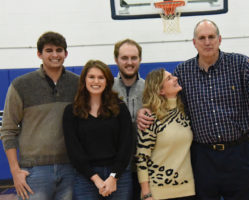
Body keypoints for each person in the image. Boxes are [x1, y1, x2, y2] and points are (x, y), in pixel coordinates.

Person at [137, 19, 249, 200]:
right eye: (202, 37)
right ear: (194, 42)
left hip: (239, 154)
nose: (207, 42)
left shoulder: (240, 64)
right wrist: (144, 110)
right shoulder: (183, 71)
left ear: (219, 39)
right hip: (203, 158)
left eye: (211, 37)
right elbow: (166, 100)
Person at [0, 31, 79, 200]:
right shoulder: (21, 85)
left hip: (71, 169)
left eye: (59, 50)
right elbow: (8, 130)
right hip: (34, 171)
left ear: (66, 54)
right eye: (49, 50)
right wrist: (15, 171)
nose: (55, 55)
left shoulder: (78, 84)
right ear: (39, 54)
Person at [62, 60, 134, 200]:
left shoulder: (120, 108)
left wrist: (114, 177)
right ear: (84, 80)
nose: (96, 81)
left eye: (101, 77)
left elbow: (126, 144)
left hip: (119, 176)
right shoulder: (71, 112)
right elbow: (73, 149)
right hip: (86, 178)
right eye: (91, 77)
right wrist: (96, 179)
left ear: (107, 81)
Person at [136, 68, 195, 200]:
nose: (175, 78)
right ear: (160, 90)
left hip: (188, 190)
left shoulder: (185, 111)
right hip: (157, 192)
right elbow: (142, 159)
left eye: (172, 76)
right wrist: (147, 194)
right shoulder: (150, 117)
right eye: (169, 78)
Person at [112, 38, 145, 199]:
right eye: (124, 58)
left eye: (134, 58)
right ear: (116, 60)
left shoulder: (149, 89)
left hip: (145, 168)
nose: (129, 62)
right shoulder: (107, 89)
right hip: (116, 168)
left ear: (140, 60)